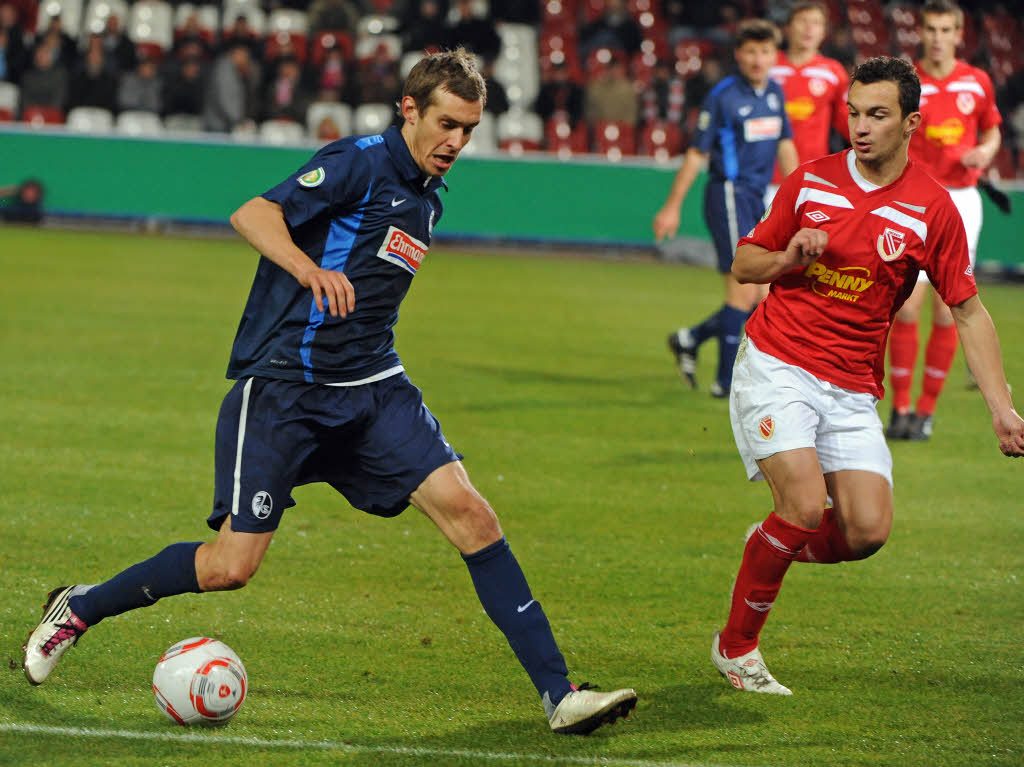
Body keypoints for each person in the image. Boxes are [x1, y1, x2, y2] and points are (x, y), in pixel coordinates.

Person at [21, 48, 638, 736]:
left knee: (474, 516)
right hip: (287, 389)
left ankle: (560, 693)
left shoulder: (426, 196)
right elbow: (252, 215)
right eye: (447, 124)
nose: (457, 142)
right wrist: (309, 269)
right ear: (409, 109)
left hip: (374, 388)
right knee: (230, 566)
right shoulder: (359, 162)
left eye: (469, 128)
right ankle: (79, 607)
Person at [709, 56, 1024, 696]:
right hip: (779, 363)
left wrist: (1001, 407)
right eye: (853, 112)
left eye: (877, 115)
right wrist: (790, 255)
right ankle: (736, 647)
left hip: (852, 386)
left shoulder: (933, 210)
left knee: (865, 533)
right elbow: (744, 263)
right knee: (800, 505)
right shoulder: (811, 182)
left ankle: (774, 542)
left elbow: (966, 310)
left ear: (911, 122)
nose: (859, 126)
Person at [653, 19, 798, 397]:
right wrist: (672, 207)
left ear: (774, 55)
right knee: (743, 289)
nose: (757, 58)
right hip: (728, 196)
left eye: (765, 51)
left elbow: (785, 145)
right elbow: (696, 153)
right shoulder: (722, 96)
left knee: (765, 295)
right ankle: (726, 383)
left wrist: (803, 195)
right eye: (750, 51)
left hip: (758, 198)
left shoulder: (775, 94)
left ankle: (691, 338)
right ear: (738, 54)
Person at [886, 0, 1003, 442]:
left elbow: (991, 128)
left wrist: (987, 151)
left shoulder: (978, 81)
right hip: (913, 199)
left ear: (959, 34)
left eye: (945, 29)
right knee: (906, 308)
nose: (937, 37)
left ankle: (926, 412)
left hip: (961, 202)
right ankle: (899, 408)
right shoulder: (907, 82)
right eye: (930, 29)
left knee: (948, 307)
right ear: (921, 32)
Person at [766, 1, 849, 207]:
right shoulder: (767, 66)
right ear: (788, 28)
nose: (809, 28)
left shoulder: (833, 72)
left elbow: (849, 123)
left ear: (823, 32)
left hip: (814, 179)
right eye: (802, 21)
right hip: (765, 179)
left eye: (816, 23)